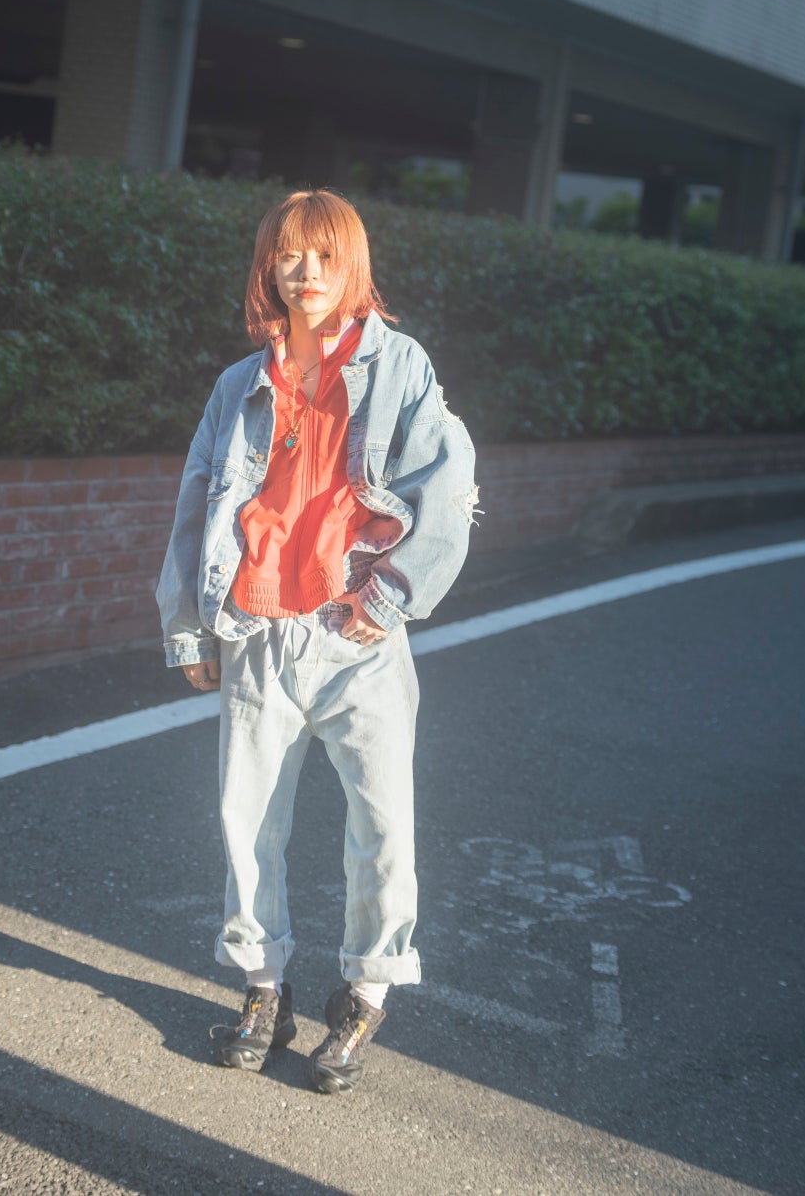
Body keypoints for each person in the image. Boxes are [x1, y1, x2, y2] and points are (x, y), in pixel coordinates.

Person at [156, 189, 477, 1094]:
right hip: (256, 629)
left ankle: (366, 994)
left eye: (325, 257)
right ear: (268, 267)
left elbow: (448, 486)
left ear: (352, 266)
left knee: (382, 826)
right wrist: (187, 625)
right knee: (246, 824)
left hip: (355, 634)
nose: (306, 274)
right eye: (289, 256)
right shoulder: (239, 383)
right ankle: (263, 989)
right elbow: (195, 504)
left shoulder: (398, 365)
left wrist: (393, 595)